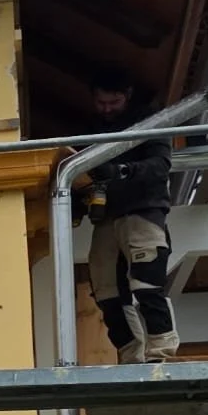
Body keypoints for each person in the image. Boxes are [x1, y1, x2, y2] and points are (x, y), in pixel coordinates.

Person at [77, 74, 179, 364]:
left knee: (146, 284)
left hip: (143, 210)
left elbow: (160, 166)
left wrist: (122, 170)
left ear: (129, 94)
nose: (107, 108)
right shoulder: (90, 128)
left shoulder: (151, 122)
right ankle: (130, 355)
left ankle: (161, 353)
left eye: (114, 102)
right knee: (106, 291)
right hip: (106, 216)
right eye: (101, 102)